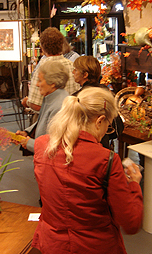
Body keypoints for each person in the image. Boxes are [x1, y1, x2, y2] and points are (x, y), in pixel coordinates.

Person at [32, 87, 143, 254]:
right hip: (94, 246)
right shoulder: (105, 159)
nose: (107, 130)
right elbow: (131, 222)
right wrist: (134, 185)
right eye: (108, 125)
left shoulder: (42, 145)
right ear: (100, 121)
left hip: (51, 244)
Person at [22, 27, 80, 113]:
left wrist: (26, 102)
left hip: (52, 119)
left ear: (42, 47)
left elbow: (36, 105)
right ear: (62, 45)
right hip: (72, 115)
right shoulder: (73, 66)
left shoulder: (42, 68)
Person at [16, 60, 69, 154]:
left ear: (52, 83)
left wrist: (30, 143)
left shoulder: (59, 106)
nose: (37, 84)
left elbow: (54, 145)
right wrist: (28, 133)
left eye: (40, 80)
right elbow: (43, 122)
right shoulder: (53, 98)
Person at [72, 55, 124, 149]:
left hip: (82, 150)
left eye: (75, 70)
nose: (73, 72)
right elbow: (118, 128)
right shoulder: (107, 94)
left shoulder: (77, 98)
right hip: (103, 148)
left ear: (85, 75)